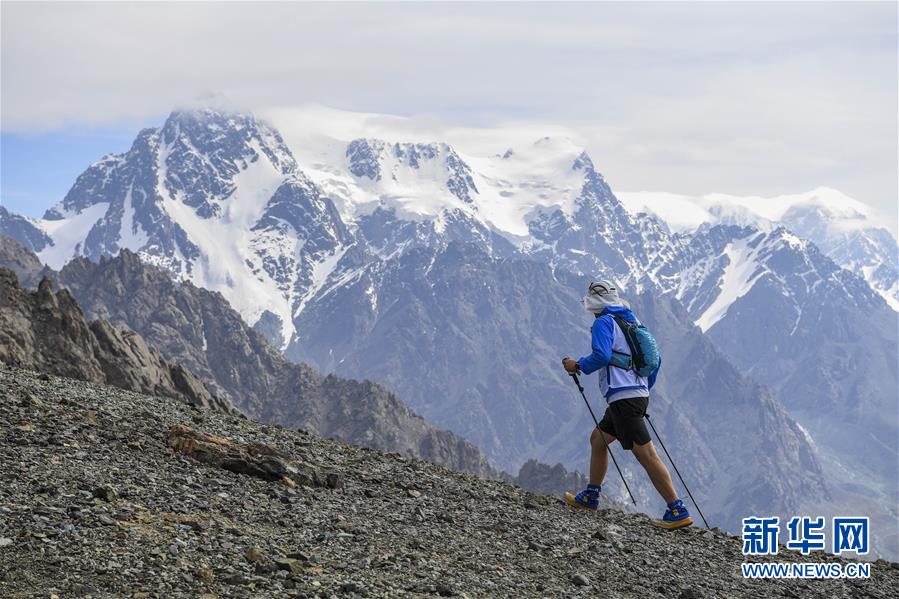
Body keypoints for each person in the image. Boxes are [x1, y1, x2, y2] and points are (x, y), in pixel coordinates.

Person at [562, 279, 692, 529]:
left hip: (623, 397)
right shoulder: (632, 321)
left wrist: (577, 365)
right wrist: (642, 390)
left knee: (646, 454)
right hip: (635, 394)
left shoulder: (603, 322)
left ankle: (677, 508)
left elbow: (602, 355)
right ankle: (591, 495)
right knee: (598, 439)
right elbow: (654, 359)